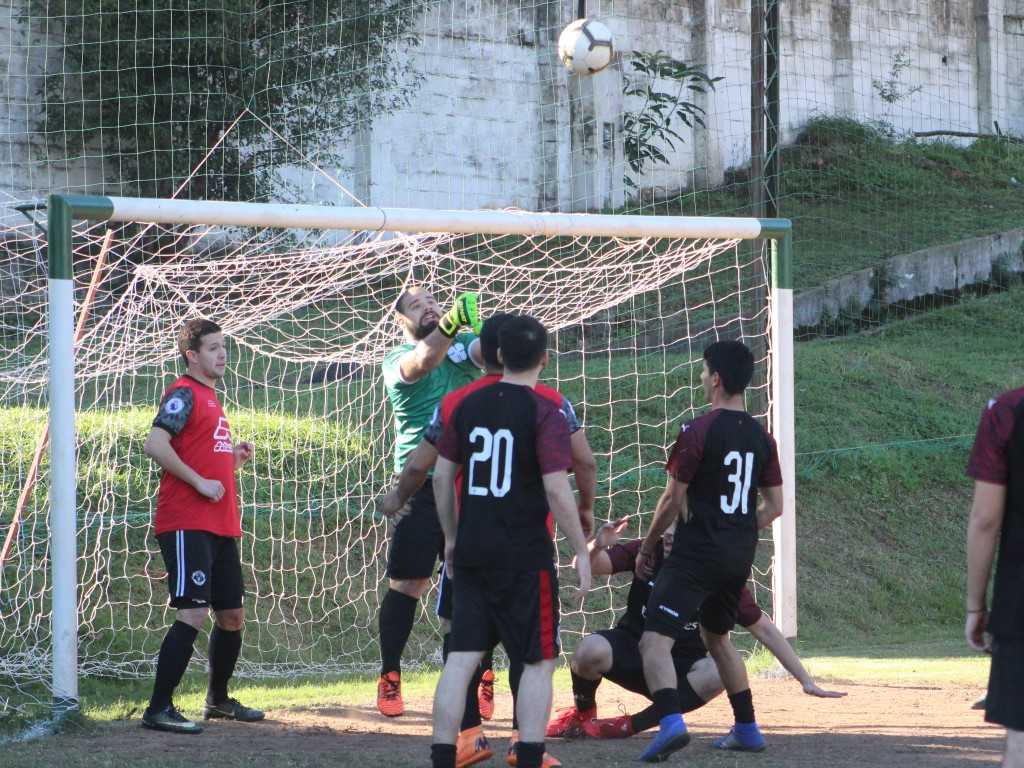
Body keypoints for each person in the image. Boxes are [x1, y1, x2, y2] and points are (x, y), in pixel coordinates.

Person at [377, 312, 596, 767]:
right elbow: (561, 485)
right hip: (525, 553)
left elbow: (435, 474)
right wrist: (580, 549)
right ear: (544, 357)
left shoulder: (459, 402)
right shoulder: (549, 406)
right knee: (536, 658)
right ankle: (527, 752)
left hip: (472, 549)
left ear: (492, 354)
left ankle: (447, 752)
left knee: (460, 655)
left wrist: (451, 535)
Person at [547, 519, 844, 741]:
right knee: (588, 650)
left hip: (681, 671)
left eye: (680, 532)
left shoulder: (714, 574)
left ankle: (631, 725)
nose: (670, 537)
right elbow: (588, 565)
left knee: (720, 672)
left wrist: (805, 680)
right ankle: (582, 714)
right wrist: (598, 543)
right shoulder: (646, 552)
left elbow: (763, 629)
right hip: (634, 650)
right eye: (668, 530)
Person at [635, 340, 784, 761]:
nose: (701, 379)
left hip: (695, 554)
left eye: (703, 372)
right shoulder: (762, 438)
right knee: (718, 638)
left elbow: (670, 500)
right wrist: (735, 529)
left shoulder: (698, 431)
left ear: (716, 379)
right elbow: (775, 507)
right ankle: (748, 727)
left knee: (654, 642)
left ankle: (669, 724)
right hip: (738, 556)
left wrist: (648, 545)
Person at [140, 319, 262, 734]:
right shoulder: (183, 393)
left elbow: (204, 462)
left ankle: (219, 700)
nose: (222, 354)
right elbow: (155, 444)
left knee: (232, 615)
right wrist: (199, 482)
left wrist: (233, 463)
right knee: (192, 612)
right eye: (212, 348)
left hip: (220, 525)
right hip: (187, 523)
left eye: (223, 346)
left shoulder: (211, 398)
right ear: (192, 355)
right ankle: (158, 708)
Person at [377, 287, 484, 717]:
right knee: (408, 584)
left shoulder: (461, 344)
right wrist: (451, 324)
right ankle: (390, 676)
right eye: (417, 305)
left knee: (473, 584)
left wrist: (482, 330)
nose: (430, 307)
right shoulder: (397, 361)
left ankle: (478, 680)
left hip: (471, 482)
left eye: (434, 302)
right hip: (418, 483)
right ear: (400, 320)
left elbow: (486, 351)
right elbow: (425, 359)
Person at [965, 386, 1024, 768]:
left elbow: (986, 520)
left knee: (1020, 741)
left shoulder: (1006, 411)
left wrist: (976, 606)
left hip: (1020, 602)